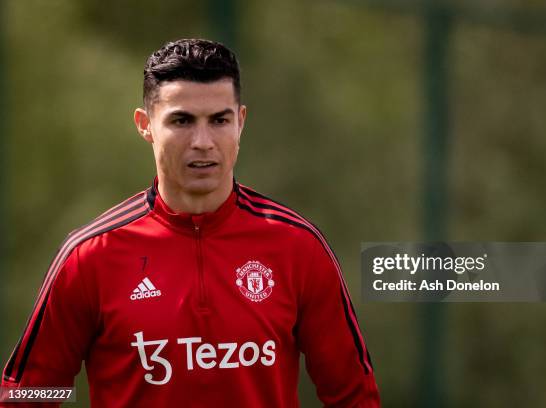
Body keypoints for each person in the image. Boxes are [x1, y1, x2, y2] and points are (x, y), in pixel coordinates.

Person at [1, 38, 380, 407]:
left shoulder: (297, 246)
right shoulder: (89, 257)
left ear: (241, 122)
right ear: (145, 125)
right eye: (181, 120)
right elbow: (27, 392)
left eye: (219, 120)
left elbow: (352, 393)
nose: (203, 141)